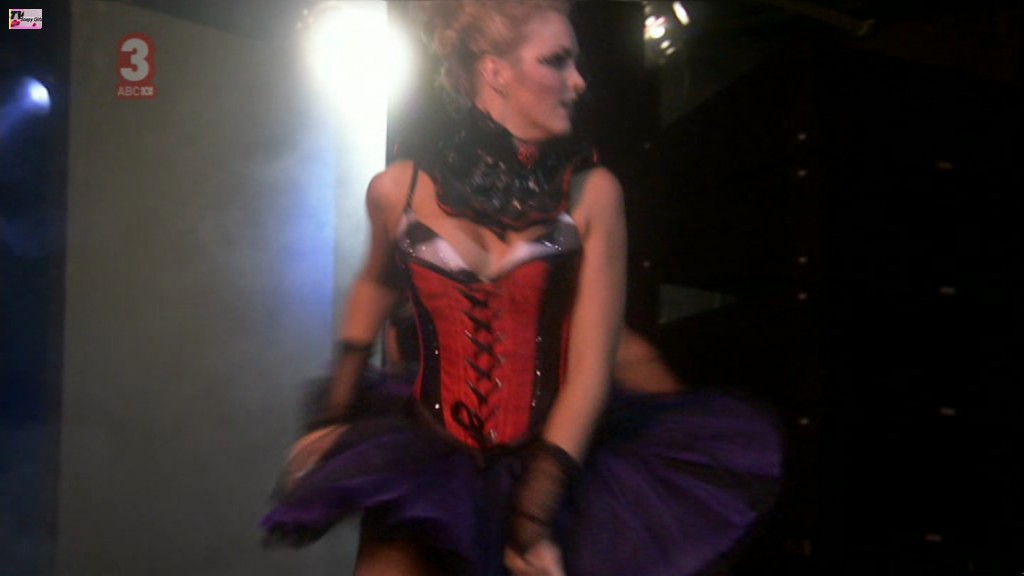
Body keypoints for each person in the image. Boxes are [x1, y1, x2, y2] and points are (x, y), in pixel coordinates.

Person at [262, 2, 782, 575]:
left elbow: (590, 370)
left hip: (548, 458)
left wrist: (533, 515)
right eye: (557, 62)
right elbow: (374, 285)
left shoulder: (595, 193)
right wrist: (334, 414)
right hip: (427, 457)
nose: (578, 82)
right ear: (496, 71)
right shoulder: (395, 190)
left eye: (576, 63)